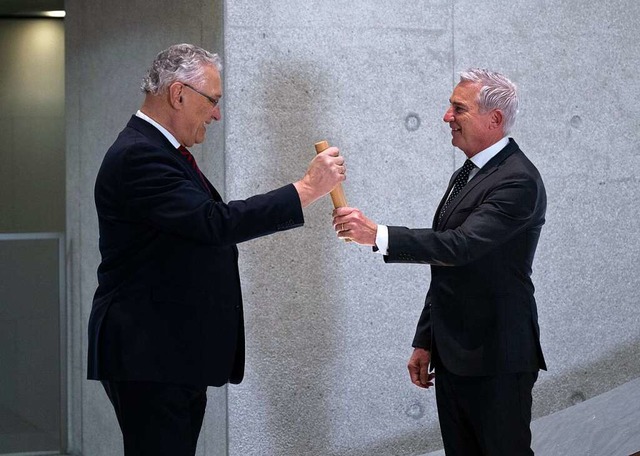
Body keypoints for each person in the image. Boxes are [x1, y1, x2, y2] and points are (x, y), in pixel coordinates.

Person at [87, 43, 346, 456]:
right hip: (150, 354)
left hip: (169, 354)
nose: (217, 114)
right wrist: (306, 190)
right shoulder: (139, 155)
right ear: (178, 94)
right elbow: (214, 223)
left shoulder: (158, 151)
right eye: (213, 101)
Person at [333, 68, 546, 455]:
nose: (446, 116)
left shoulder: (518, 181)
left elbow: (459, 246)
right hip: (454, 356)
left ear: (494, 119)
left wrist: (378, 235)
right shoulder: (466, 174)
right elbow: (449, 270)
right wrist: (426, 340)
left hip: (496, 358)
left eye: (458, 108)